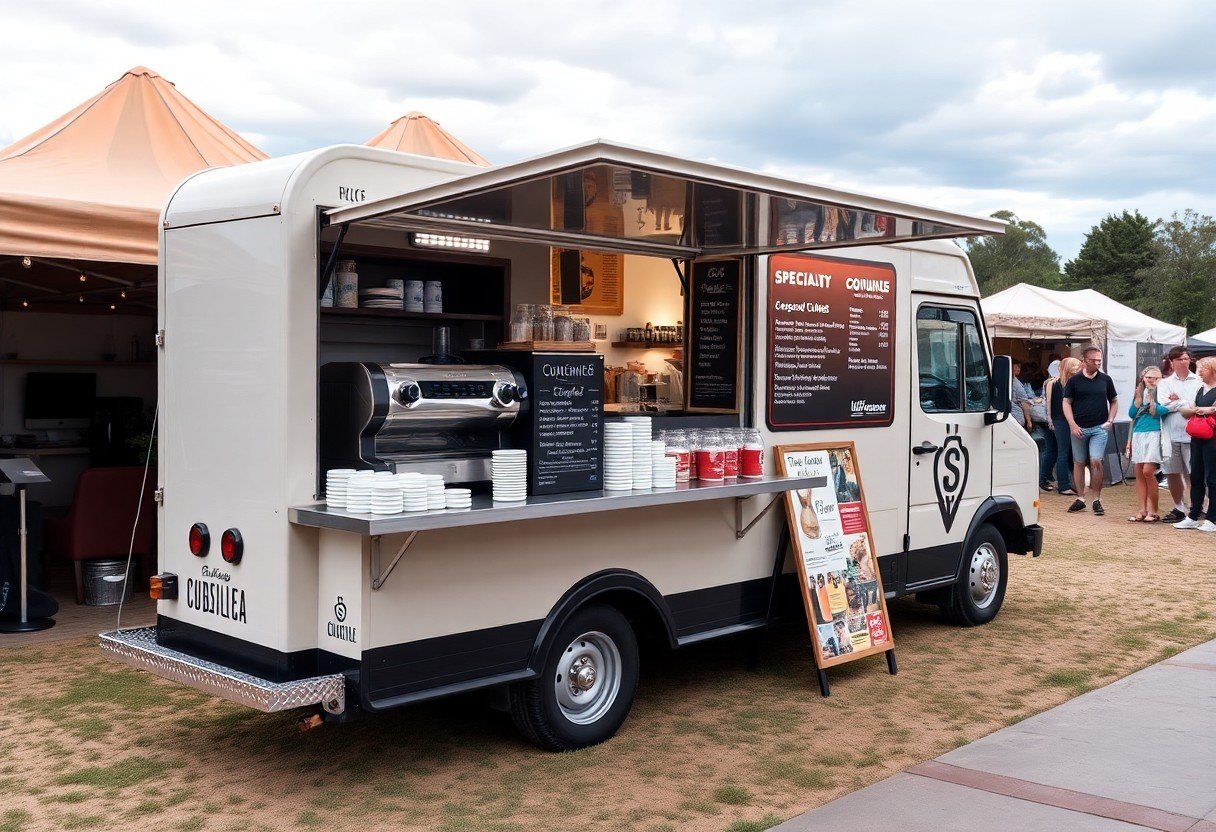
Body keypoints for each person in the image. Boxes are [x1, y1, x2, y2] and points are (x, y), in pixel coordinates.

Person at [1063, 346, 1118, 516]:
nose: (1098, 363)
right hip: (1079, 427)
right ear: (1085, 361)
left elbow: (1114, 400)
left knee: (1096, 461)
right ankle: (1081, 498)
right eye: (1094, 360)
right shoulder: (1074, 381)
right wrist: (1072, 424)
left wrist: (1110, 420)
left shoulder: (1105, 380)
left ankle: (1096, 499)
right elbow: (1066, 402)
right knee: (1078, 462)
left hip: (1099, 427)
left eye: (1099, 360)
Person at [1155, 346, 1203, 523]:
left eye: (1186, 359)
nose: (1184, 362)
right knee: (1172, 473)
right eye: (1180, 359)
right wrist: (1184, 404)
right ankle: (1179, 507)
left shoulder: (1199, 381)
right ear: (1172, 362)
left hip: (1193, 434)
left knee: (1194, 474)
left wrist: (1177, 402)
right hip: (1170, 434)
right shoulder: (1165, 383)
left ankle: (1198, 507)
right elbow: (1163, 405)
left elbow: (1198, 405)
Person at [1173, 356, 1216, 532]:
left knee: (1212, 478)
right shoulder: (1200, 390)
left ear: (1213, 370)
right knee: (1196, 475)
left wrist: (1208, 410)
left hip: (1213, 437)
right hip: (1197, 436)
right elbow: (1185, 410)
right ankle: (1193, 515)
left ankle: (1212, 518)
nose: (1199, 372)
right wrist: (1201, 409)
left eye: (1203, 368)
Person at [1124, 365, 1169, 522]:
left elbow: (1164, 410)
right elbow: (1131, 414)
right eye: (1149, 377)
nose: (1152, 380)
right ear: (1143, 378)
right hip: (1138, 433)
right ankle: (1142, 509)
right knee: (1139, 472)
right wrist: (1138, 400)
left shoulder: (1163, 392)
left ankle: (1154, 510)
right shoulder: (1139, 392)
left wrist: (1152, 403)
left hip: (1155, 433)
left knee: (1148, 471)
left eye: (1156, 377)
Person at [1045, 357, 1080, 496]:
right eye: (1076, 366)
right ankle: (1064, 485)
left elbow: (1049, 403)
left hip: (1060, 420)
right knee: (1064, 453)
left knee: (1064, 452)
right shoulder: (1060, 383)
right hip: (1062, 420)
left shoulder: (1056, 383)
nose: (1079, 368)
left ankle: (1069, 483)